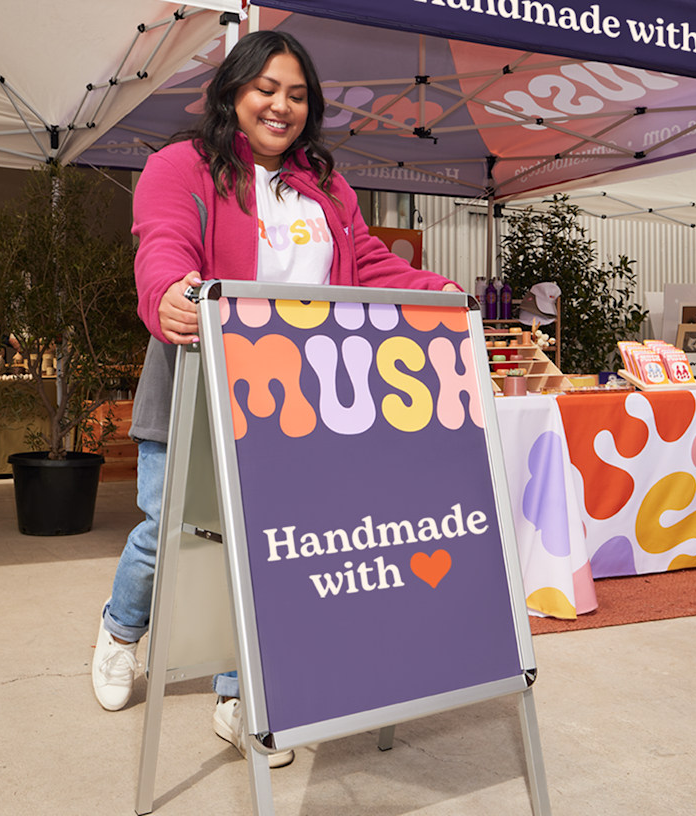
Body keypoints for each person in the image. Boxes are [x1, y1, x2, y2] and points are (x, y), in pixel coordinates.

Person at [91, 30, 459, 766]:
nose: (280, 106)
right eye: (266, 89)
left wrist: (438, 291)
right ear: (232, 92)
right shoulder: (181, 166)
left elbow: (366, 263)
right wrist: (166, 294)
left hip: (298, 399)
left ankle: (241, 696)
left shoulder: (325, 183)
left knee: (267, 547)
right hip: (198, 381)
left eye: (296, 95)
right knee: (174, 533)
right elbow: (163, 243)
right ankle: (120, 630)